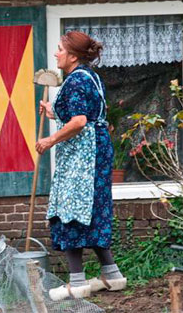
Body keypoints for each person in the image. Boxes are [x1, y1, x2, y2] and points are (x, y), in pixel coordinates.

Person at [35, 31, 126, 301]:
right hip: (96, 149)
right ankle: (112, 274)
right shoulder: (89, 76)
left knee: (71, 208)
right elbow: (85, 114)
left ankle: (76, 282)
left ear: (73, 55)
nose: (56, 53)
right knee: (92, 209)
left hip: (82, 157)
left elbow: (79, 122)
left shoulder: (74, 81)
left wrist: (50, 139)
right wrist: (54, 111)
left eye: (60, 49)